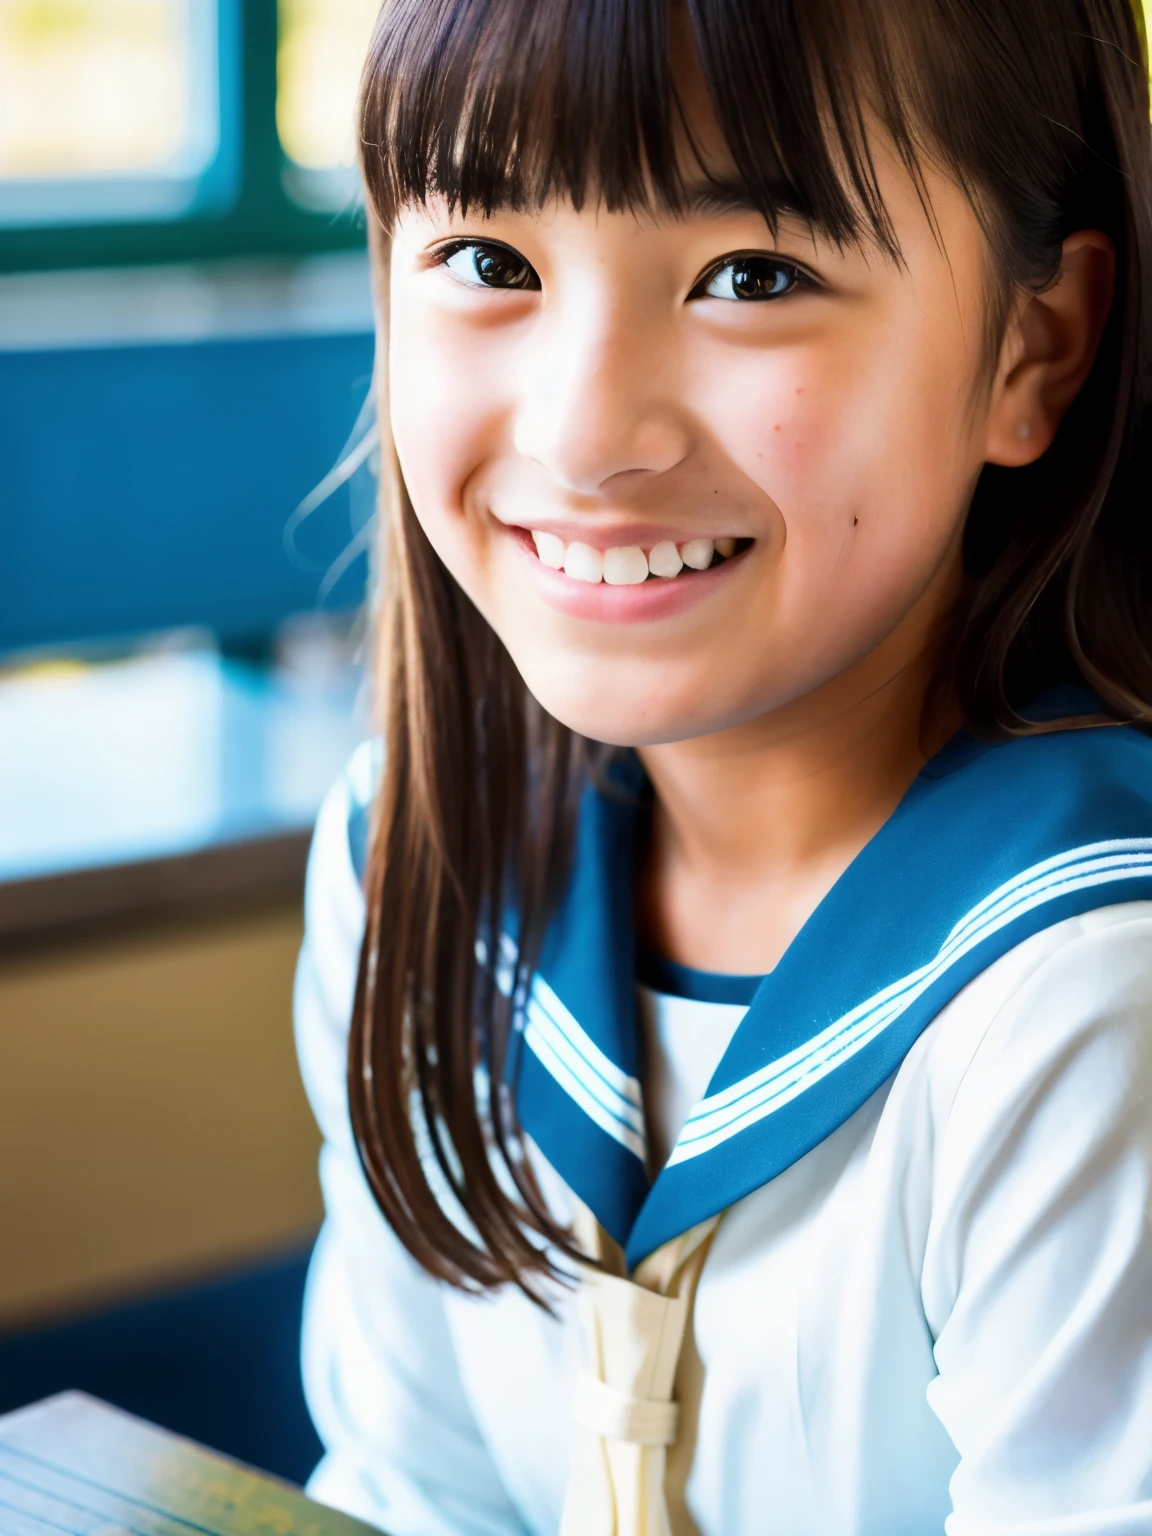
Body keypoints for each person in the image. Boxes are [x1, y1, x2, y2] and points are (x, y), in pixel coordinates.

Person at [294, 0, 1152, 1530]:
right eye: (490, 261)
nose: (584, 433)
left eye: (752, 275)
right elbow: (403, 1490)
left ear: (1037, 345)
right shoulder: (408, 863)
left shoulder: (1090, 986)